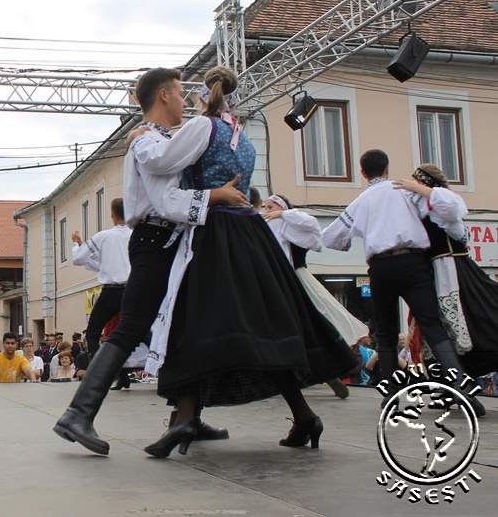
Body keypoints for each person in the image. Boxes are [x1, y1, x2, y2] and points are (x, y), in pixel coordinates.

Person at [131, 66, 356, 457]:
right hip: (249, 233)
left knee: (194, 320)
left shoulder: (202, 126)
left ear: (204, 95)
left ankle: (186, 419)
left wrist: (139, 140)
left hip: (214, 232)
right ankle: (302, 416)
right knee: (259, 325)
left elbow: (161, 162)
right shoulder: (243, 135)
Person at [54, 67, 245, 456]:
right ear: (163, 95)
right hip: (156, 239)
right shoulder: (148, 143)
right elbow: (166, 202)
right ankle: (78, 413)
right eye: (180, 92)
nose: (185, 101)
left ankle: (187, 416)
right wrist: (215, 196)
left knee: (184, 328)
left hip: (168, 241)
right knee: (131, 327)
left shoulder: (158, 140)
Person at [322, 150, 485, 417]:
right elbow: (452, 208)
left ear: (362, 173)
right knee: (433, 326)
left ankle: (391, 396)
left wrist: (351, 240)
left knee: (386, 334)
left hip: (380, 267)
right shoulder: (405, 191)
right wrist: (420, 189)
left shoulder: (360, 202)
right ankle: (462, 390)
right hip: (413, 263)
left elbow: (331, 238)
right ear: (387, 168)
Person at [262, 193, 369, 399]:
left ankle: (326, 373)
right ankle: (319, 374)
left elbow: (312, 226)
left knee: (306, 325)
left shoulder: (292, 224)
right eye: (266, 207)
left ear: (283, 207)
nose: (268, 211)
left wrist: (282, 215)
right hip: (282, 281)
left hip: (295, 281)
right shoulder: (272, 228)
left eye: (271, 207)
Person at [398, 163, 498, 382]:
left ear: (426, 183)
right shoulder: (420, 206)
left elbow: (453, 208)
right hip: (433, 272)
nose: (412, 185)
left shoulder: (442, 201)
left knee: (474, 317)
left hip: (452, 269)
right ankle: (451, 378)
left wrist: (417, 188)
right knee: (440, 325)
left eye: (417, 182)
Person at [71, 198, 131, 358]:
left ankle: (97, 369)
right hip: (133, 290)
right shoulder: (135, 235)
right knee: (140, 330)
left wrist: (76, 244)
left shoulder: (104, 236)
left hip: (111, 292)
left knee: (92, 333)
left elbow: (78, 259)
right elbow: (100, 264)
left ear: (112, 215)